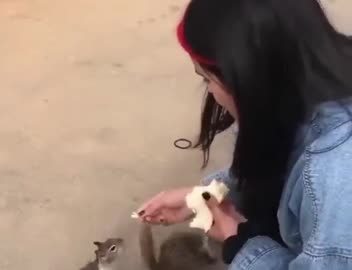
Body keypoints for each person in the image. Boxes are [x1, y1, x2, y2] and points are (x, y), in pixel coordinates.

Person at [135, 0, 352, 269]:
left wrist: (240, 242)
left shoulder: (334, 178)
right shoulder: (312, 80)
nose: (210, 92)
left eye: (207, 79)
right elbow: (282, 154)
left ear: (247, 81)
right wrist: (211, 193)